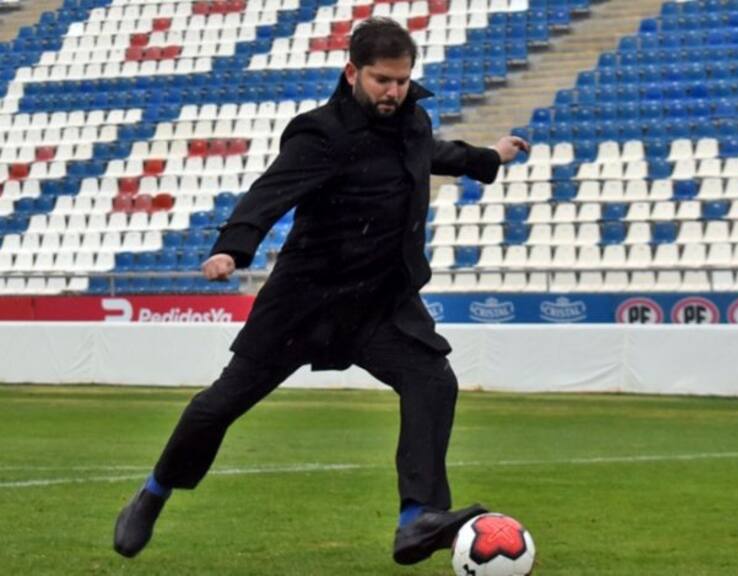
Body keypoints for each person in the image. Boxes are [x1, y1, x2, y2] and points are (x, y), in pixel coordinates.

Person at [114, 16, 529, 566]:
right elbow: (270, 192)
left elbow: (437, 153)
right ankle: (155, 490)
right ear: (352, 72)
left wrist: (490, 156)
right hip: (305, 302)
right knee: (219, 405)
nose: (394, 92)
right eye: (383, 80)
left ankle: (418, 518)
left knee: (432, 380)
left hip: (379, 302)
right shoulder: (321, 133)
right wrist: (233, 249)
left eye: (403, 80)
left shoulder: (412, 123)